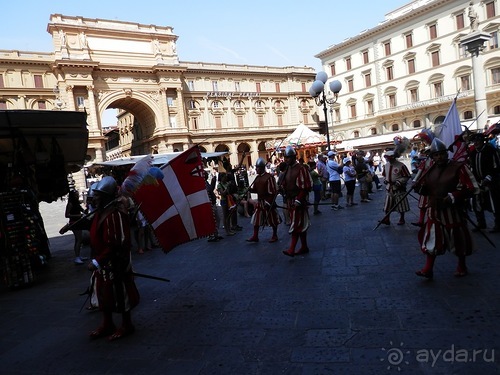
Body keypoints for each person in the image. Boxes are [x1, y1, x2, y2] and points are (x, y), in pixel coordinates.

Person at [413, 138, 479, 279]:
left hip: (452, 210)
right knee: (432, 238)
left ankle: (462, 265)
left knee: (458, 238)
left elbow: (472, 187)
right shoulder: (429, 169)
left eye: (442, 154)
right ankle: (428, 268)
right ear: (432, 156)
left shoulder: (459, 167)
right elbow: (428, 188)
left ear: (446, 153)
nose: (439, 157)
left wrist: (453, 196)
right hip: (434, 209)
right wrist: (419, 188)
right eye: (436, 155)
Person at [87, 176, 140, 340]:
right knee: (104, 293)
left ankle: (126, 324)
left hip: (115, 263)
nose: (93, 199)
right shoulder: (101, 212)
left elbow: (116, 242)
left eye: (96, 196)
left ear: (104, 196)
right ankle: (107, 323)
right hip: (104, 264)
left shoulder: (114, 214)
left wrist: (97, 261)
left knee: (120, 293)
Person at [281, 146, 313, 257]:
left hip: (298, 200)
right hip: (290, 200)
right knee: (300, 224)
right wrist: (281, 188)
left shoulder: (301, 168)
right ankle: (304, 247)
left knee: (295, 224)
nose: (286, 160)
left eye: (288, 157)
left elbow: (305, 187)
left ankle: (291, 249)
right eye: (285, 157)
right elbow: (286, 183)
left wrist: (299, 200)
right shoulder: (287, 169)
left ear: (294, 157)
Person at [469, 132, 500, 233]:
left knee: (494, 202)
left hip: (491, 181)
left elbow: (496, 166)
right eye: (474, 141)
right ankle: (481, 223)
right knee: (477, 202)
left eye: (478, 140)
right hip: (478, 182)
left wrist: (488, 178)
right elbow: (472, 167)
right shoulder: (473, 153)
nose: (476, 143)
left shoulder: (490, 150)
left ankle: (498, 224)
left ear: (482, 141)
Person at [246, 158, 281, 243]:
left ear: (261, 168)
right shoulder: (257, 178)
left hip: (268, 202)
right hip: (260, 202)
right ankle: (255, 236)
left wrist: (269, 202)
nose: (256, 169)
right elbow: (256, 189)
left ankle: (274, 235)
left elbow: (273, 192)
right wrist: (249, 190)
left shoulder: (269, 177)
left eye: (257, 167)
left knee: (272, 219)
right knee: (256, 219)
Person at [380, 150, 411, 225]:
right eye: (387, 158)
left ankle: (402, 218)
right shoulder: (386, 165)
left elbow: (407, 176)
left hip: (398, 188)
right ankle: (387, 219)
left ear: (393, 157)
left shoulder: (401, 165)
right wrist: (385, 180)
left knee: (401, 204)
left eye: (389, 158)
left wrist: (399, 182)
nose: (388, 159)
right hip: (389, 188)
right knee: (387, 205)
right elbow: (384, 175)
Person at [65, 190, 87, 264]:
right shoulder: (70, 204)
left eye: (77, 195)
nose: (77, 196)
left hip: (78, 222)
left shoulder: (76, 203)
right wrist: (78, 215)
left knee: (78, 239)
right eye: (76, 195)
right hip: (74, 223)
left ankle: (78, 256)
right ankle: (77, 257)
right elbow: (67, 215)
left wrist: (85, 211)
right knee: (79, 240)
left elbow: (82, 210)